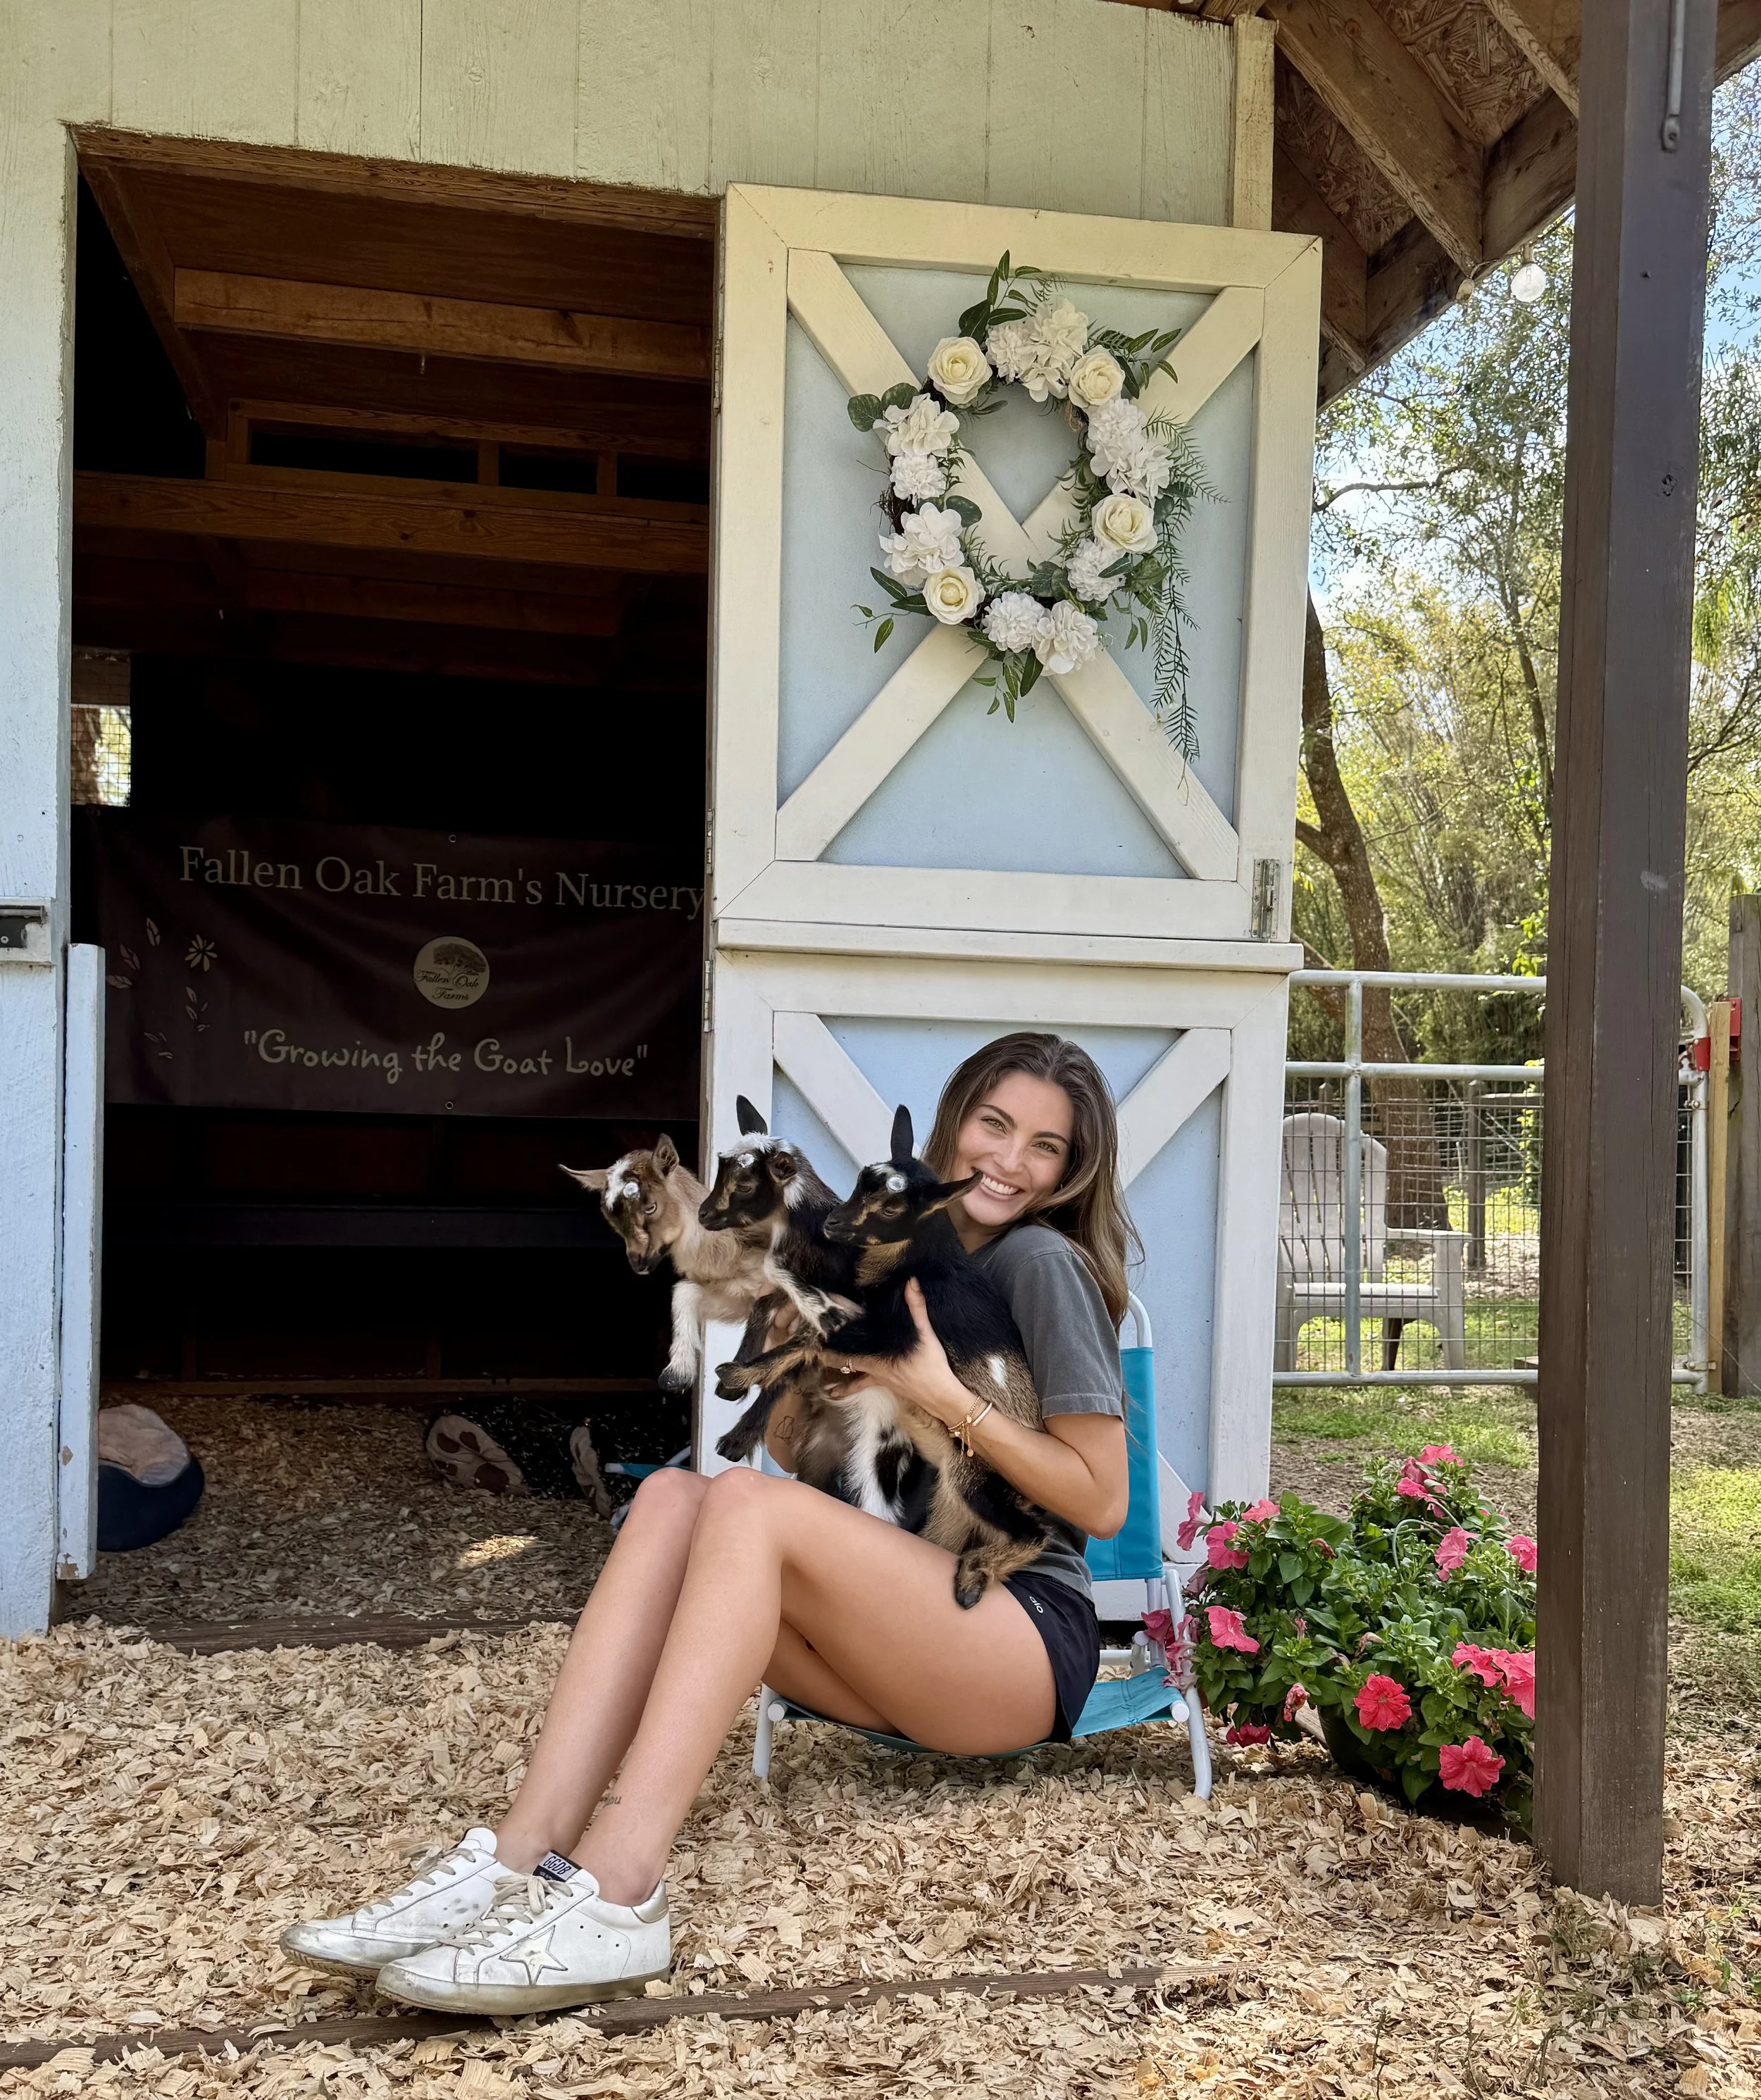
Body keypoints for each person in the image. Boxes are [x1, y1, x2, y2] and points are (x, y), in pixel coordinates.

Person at [282, 1032, 1135, 2015]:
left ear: (1071, 1171)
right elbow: (801, 1459)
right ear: (955, 1125)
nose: (1009, 1159)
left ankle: (618, 1889)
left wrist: (938, 1390)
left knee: (735, 1502)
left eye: (1044, 1146)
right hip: (906, 1632)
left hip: (1017, 1639)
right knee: (672, 1497)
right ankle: (519, 1857)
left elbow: (1102, 1500)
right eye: (995, 1124)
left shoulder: (1041, 1263)